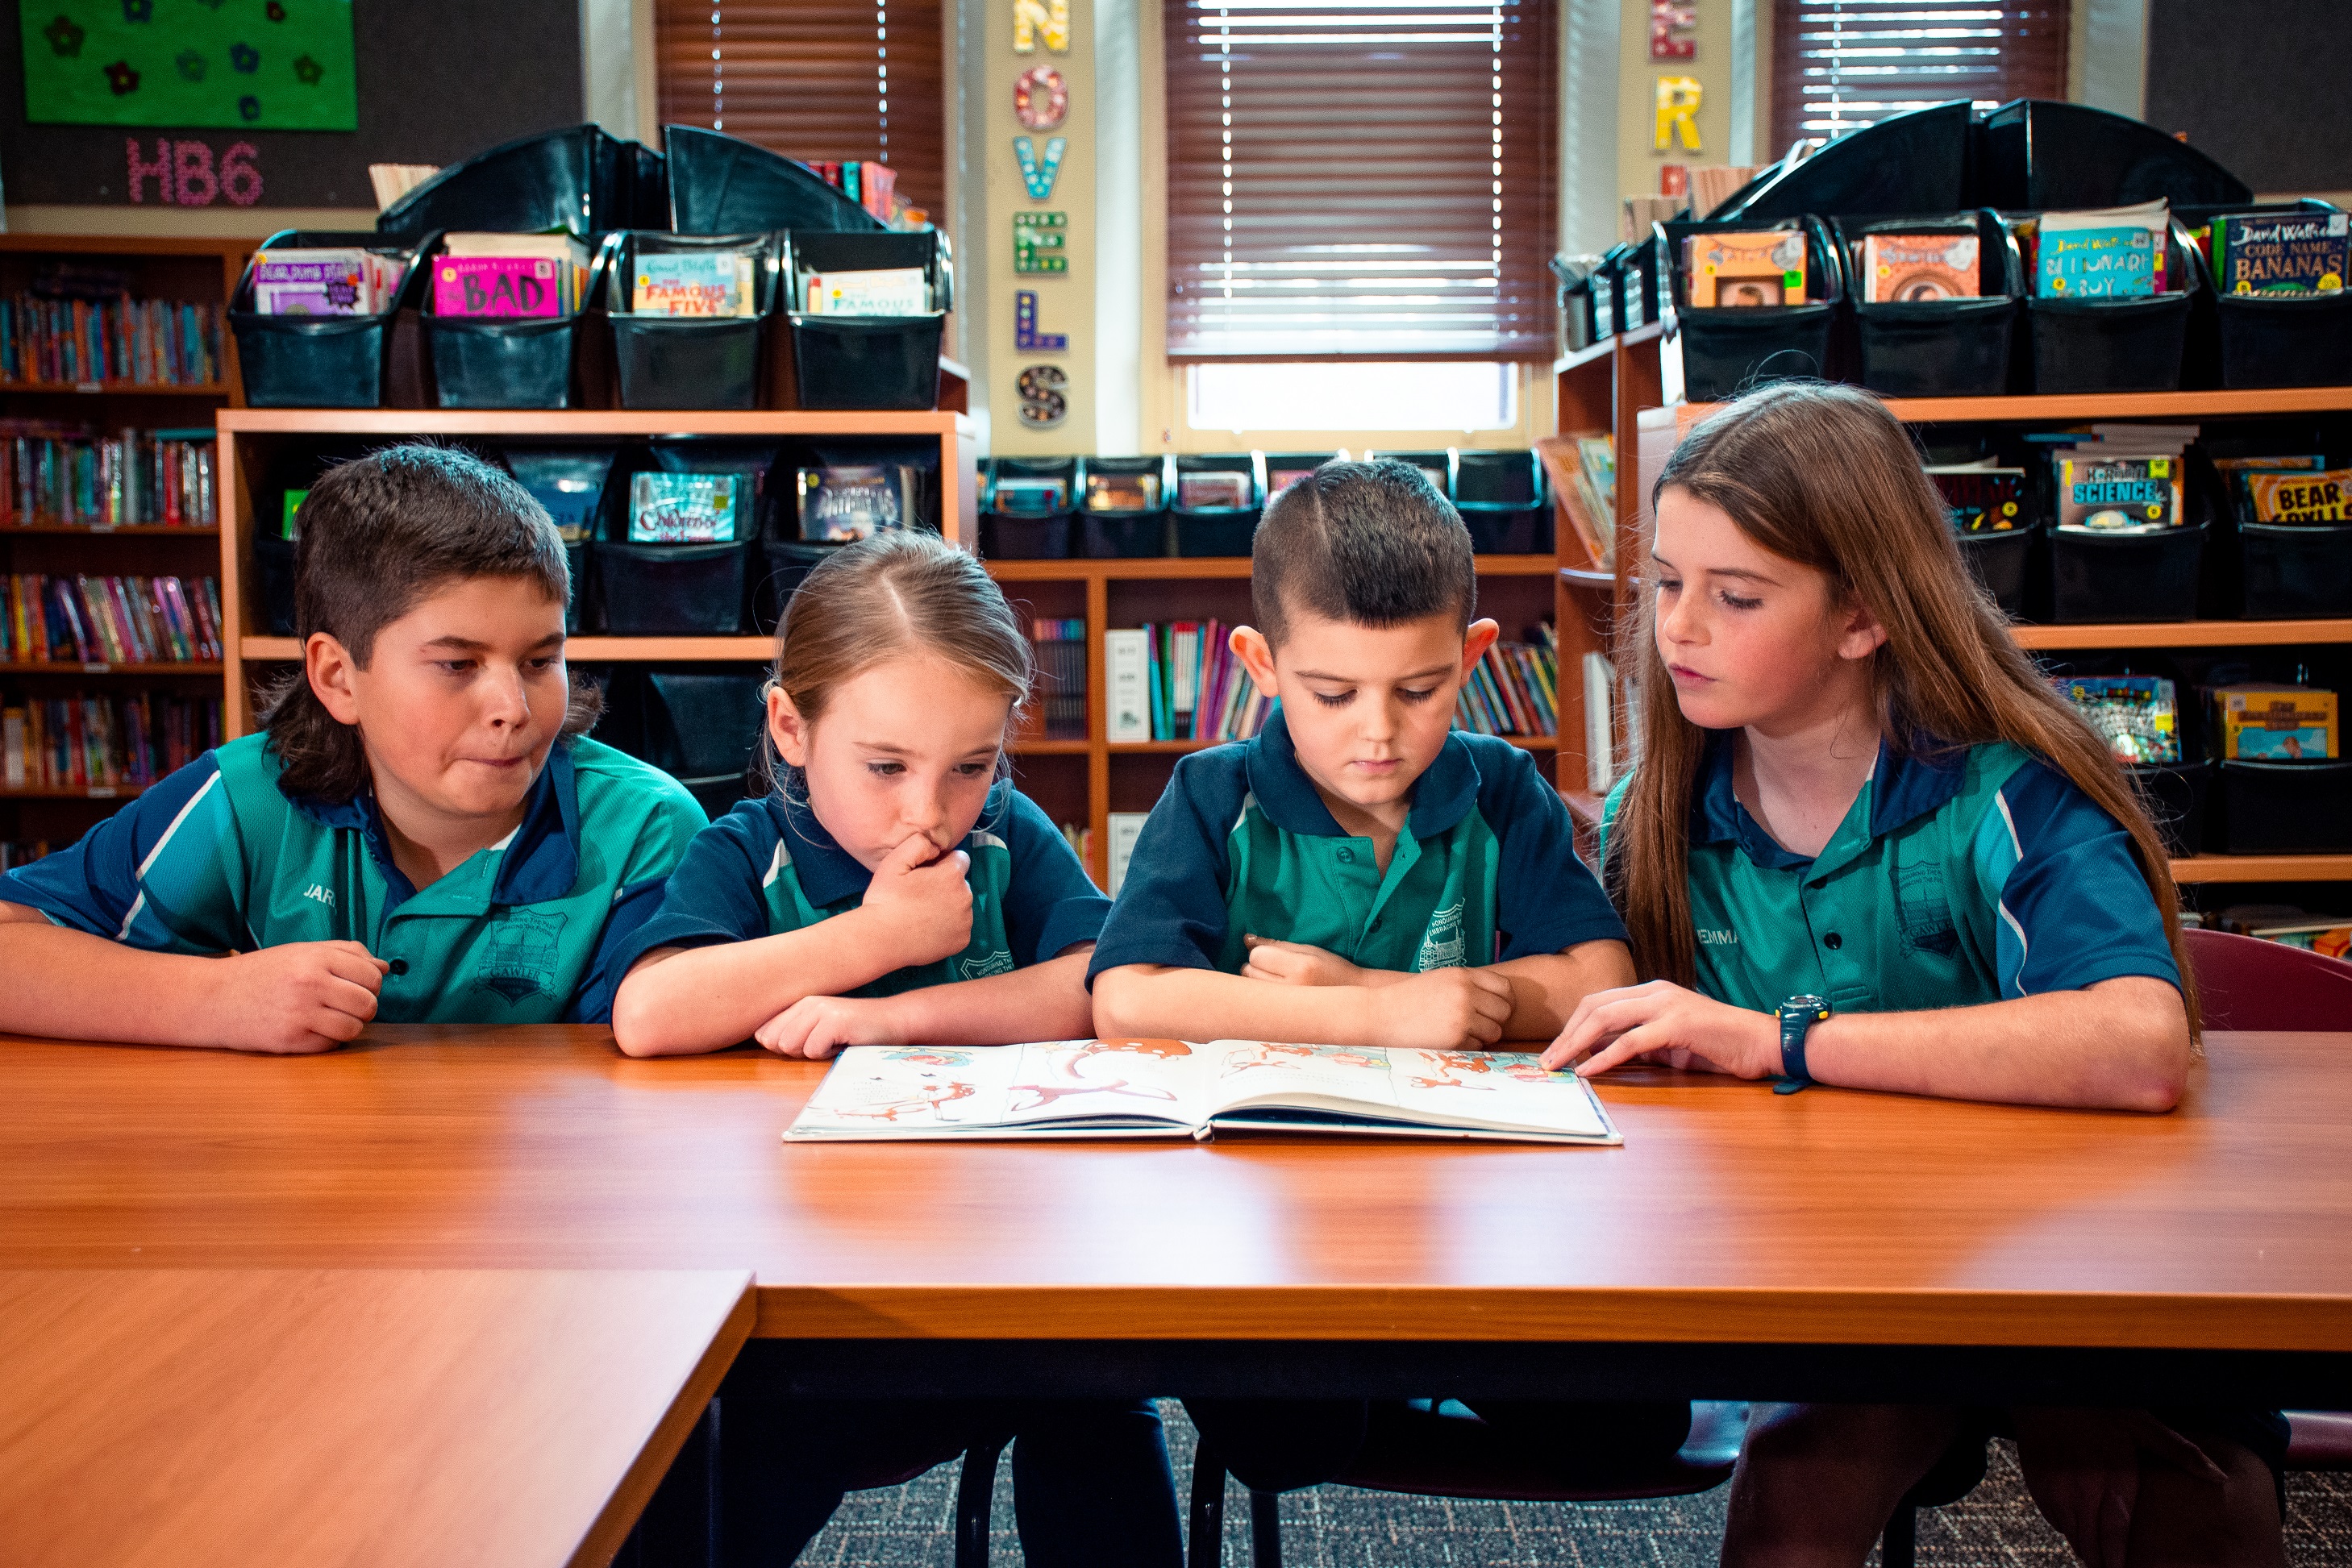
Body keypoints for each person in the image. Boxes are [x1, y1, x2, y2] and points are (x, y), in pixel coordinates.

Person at [1543, 381, 2283, 1567]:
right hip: (1852, 1294)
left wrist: (1778, 1040)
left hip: (2101, 1267)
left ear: (1864, 617)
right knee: (1789, 1507)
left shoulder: (2011, 788)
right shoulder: (1655, 819)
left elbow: (2142, 1046)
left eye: (1732, 597)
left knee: (2186, 1508)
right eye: (1668, 582)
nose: (1676, 629)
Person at [1087, 459, 1676, 1499]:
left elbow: (1599, 976)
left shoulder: (1499, 786)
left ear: (1473, 655)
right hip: (1269, 1229)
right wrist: (1368, 1010)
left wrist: (1362, 982)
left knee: (1634, 1429)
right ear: (1261, 664)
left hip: (1474, 1219)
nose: (1377, 730)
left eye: (1418, 689)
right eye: (1332, 692)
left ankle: (1414, 1361)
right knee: (1280, 1447)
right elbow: (1128, 993)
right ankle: (1380, 1371)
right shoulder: (1211, 793)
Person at [606, 530, 1180, 1567]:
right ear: (790, 724)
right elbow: (650, 1013)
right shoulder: (745, 850)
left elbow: (1105, 985)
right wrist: (871, 940)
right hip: (822, 1300)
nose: (929, 812)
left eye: (969, 765)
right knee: (731, 1454)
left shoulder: (1004, 833)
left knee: (1107, 1401)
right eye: (884, 766)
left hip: (1019, 1276)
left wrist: (891, 1015)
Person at [0, 444, 704, 1048]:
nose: (512, 709)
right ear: (338, 677)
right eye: (457, 665)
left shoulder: (644, 826)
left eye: (538, 660)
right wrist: (215, 997)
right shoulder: (246, 800)